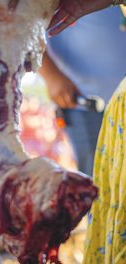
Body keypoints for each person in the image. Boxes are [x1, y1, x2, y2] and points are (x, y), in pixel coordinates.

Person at [49, 0, 126, 262]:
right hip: (87, 105)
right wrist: (51, 76)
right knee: (103, 193)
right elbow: (18, 26)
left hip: (120, 101)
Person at [39, 6, 126, 175]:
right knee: (97, 179)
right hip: (86, 104)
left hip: (122, 98)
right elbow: (25, 29)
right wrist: (52, 76)